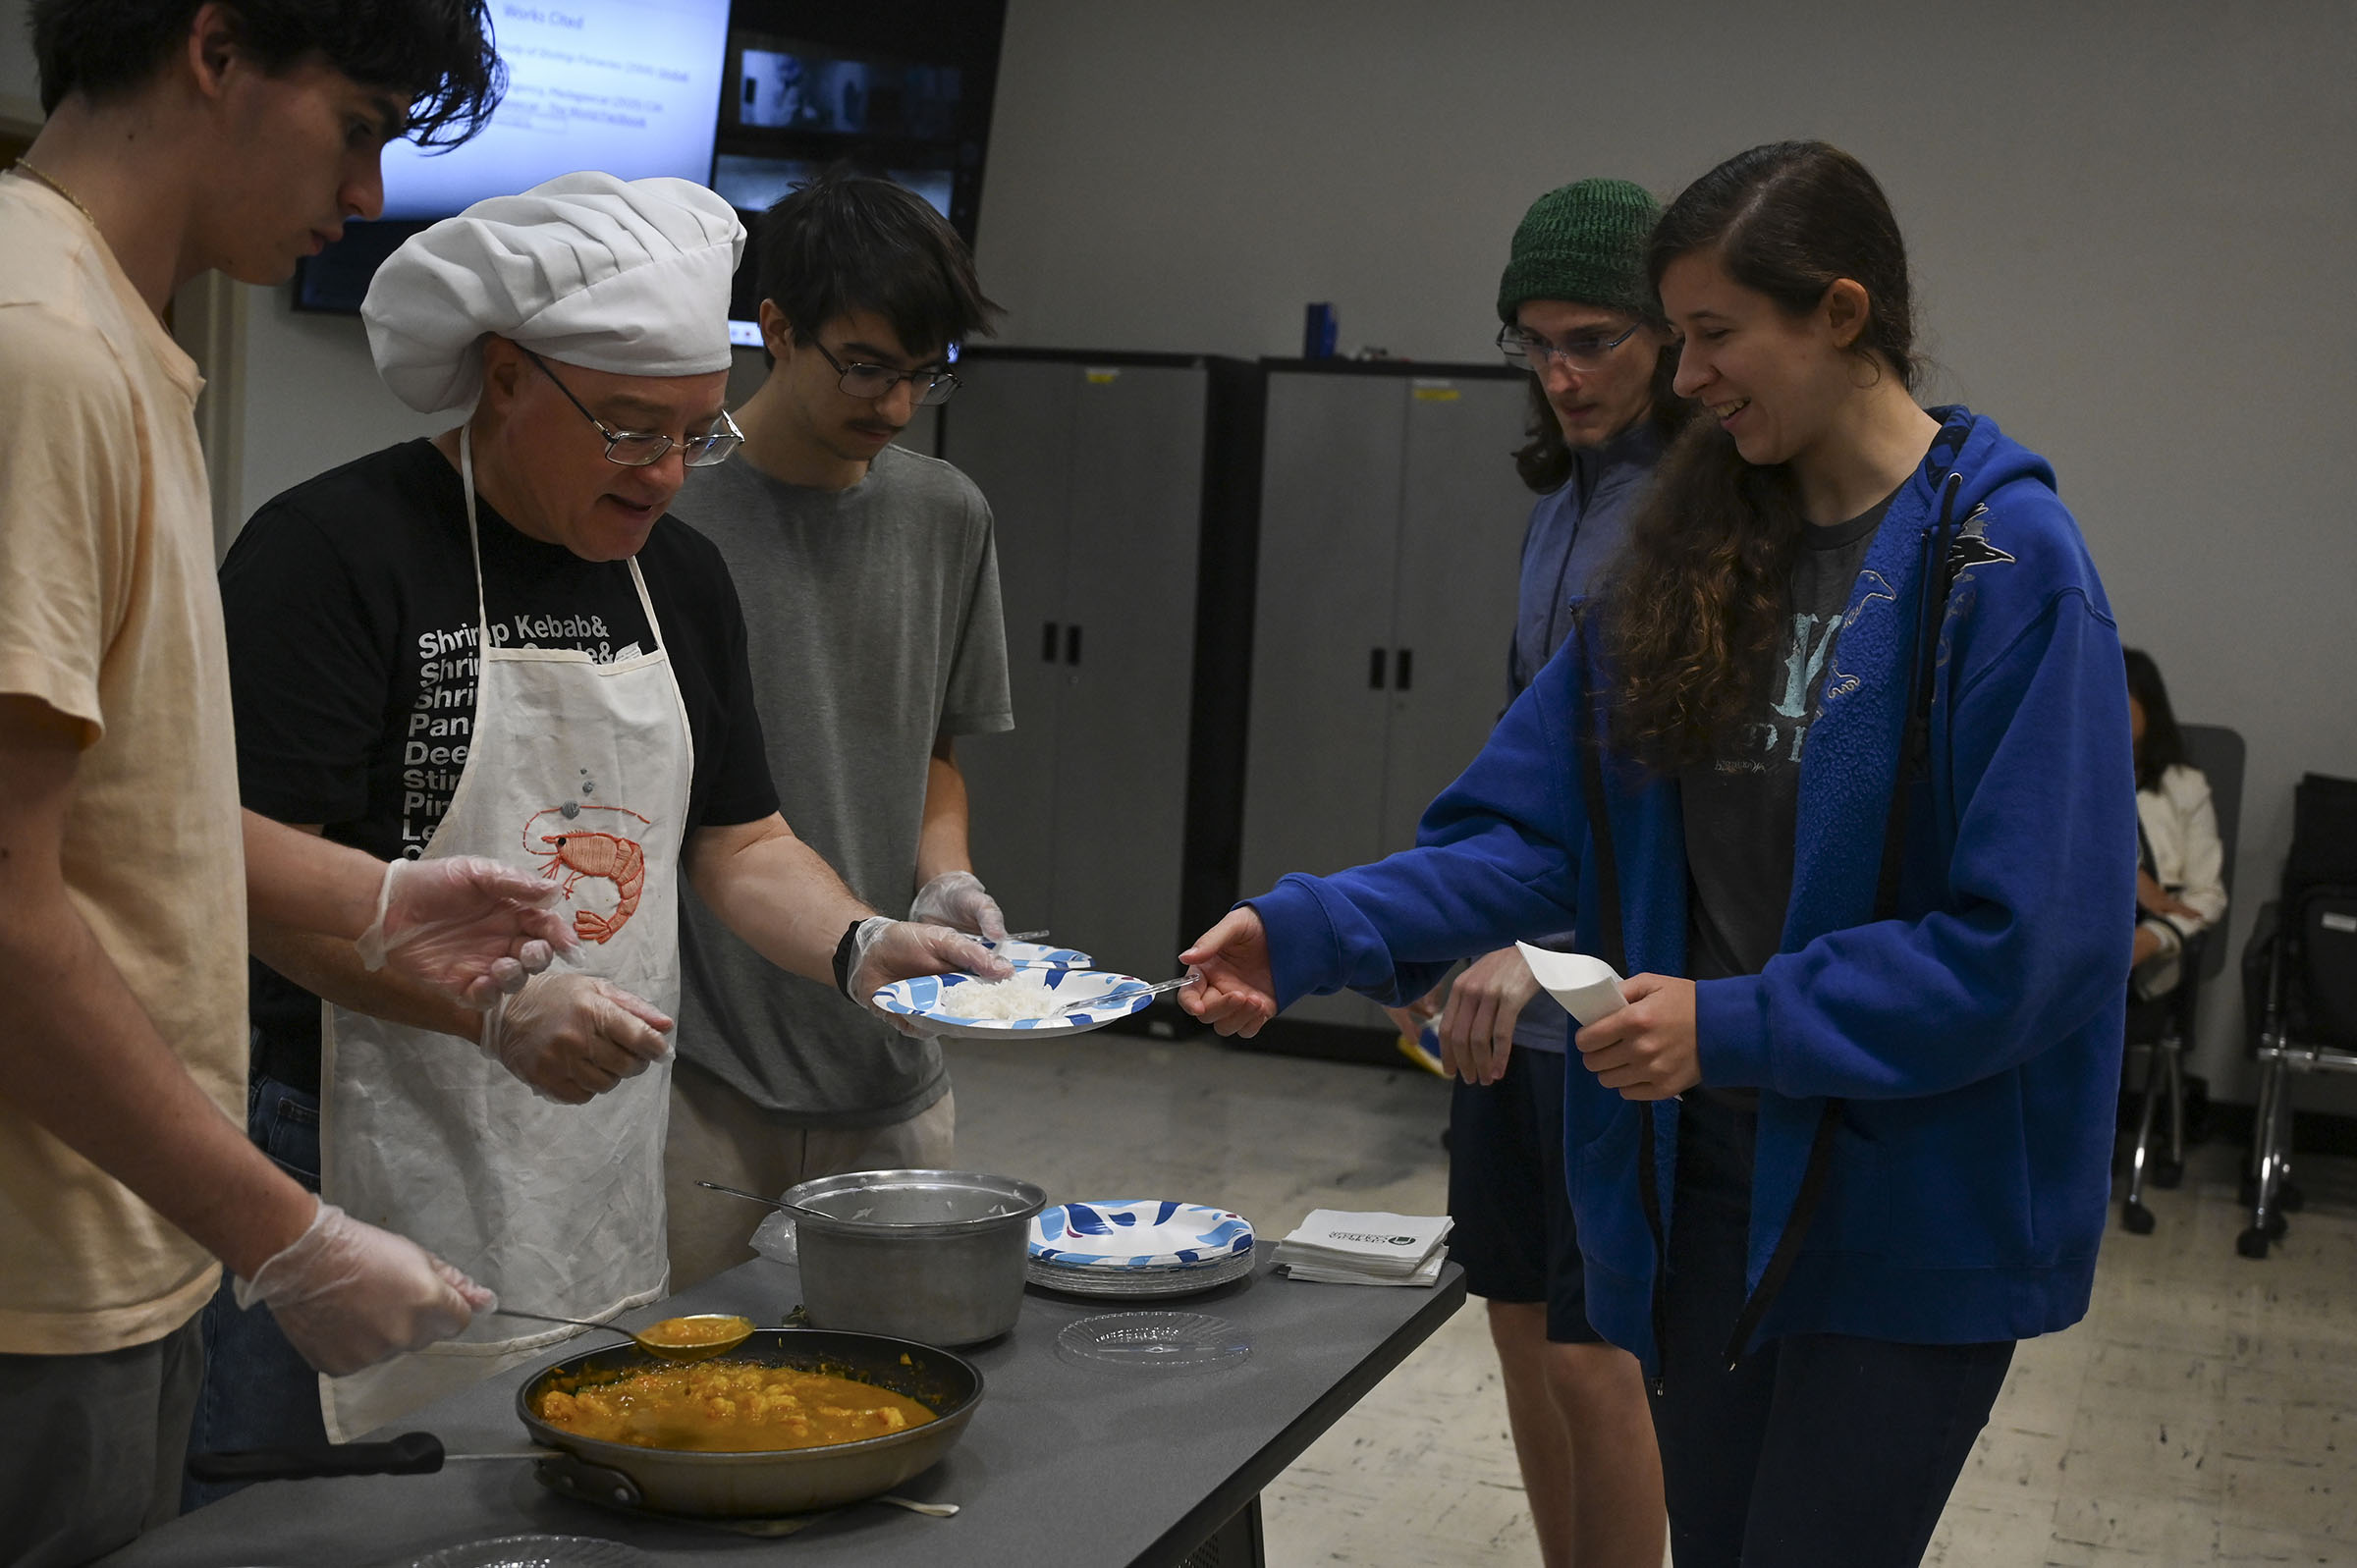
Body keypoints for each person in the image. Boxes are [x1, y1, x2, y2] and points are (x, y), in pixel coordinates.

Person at [1181, 140, 2134, 1568]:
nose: (1687, 377)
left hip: (1903, 1211)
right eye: (1677, 337)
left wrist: (1731, 1024)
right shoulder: (1701, 542)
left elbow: (2031, 947)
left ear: (1841, 313)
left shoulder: (2005, 563)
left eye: (1712, 334)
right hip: (1704, 1186)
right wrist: (1313, 928)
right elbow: (1534, 831)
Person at [194, 171, 1009, 1454]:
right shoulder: (332, 554)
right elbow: (246, 876)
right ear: (506, 378)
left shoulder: (678, 577)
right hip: (341, 1144)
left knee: (549, 1482)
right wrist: (494, 1004)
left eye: (696, 434)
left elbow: (740, 841)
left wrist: (860, 943)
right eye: (632, 433)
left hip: (593, 1150)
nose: (670, 475)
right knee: (303, 1513)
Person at [0, 2, 583, 1560]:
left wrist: (369, 897)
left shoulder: (112, 336)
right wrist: (291, 1230)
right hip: (33, 1279)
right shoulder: (41, 351)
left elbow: (111, 824)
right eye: (360, 126)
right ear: (217, 51)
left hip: (117, 1231)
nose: (370, 193)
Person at [1384, 176, 1674, 1568]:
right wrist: (1442, 933)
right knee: (1509, 1313)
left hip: (1611, 998)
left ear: (1668, 333)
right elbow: (1525, 770)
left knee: (1593, 1352)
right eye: (1534, 344)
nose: (1561, 376)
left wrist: (1541, 946)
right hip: (1505, 996)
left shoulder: (1697, 520)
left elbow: (1665, 809)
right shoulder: (1564, 503)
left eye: (1594, 342)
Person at [658, 171, 1014, 1288]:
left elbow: (931, 751)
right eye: (865, 367)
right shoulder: (662, 505)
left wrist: (945, 877)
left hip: (889, 1070)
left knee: (899, 1360)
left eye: (924, 372)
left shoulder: (946, 513)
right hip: (696, 1077)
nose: (897, 406)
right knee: (688, 1371)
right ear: (774, 327)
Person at [2123, 647, 2225, 1000]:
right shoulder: (2063, 780)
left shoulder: (2184, 787)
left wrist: (2152, 938)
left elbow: (2206, 895)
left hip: (2146, 969)